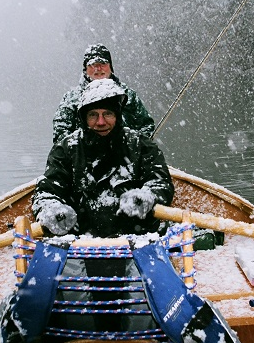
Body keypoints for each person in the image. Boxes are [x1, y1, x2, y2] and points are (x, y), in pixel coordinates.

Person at [33, 78, 174, 238]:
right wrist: (52, 208)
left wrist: (148, 196)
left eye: (108, 114)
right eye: (93, 115)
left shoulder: (141, 145)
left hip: (137, 241)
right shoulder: (65, 149)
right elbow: (47, 191)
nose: (100, 122)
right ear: (83, 118)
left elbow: (160, 182)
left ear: (118, 115)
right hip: (78, 244)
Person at [52, 43, 155, 144]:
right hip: (85, 159)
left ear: (110, 67)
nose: (98, 69)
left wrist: (134, 146)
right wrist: (81, 151)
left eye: (103, 64)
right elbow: (60, 133)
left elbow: (146, 125)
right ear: (85, 70)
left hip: (125, 158)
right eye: (92, 65)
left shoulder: (128, 95)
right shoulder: (71, 99)